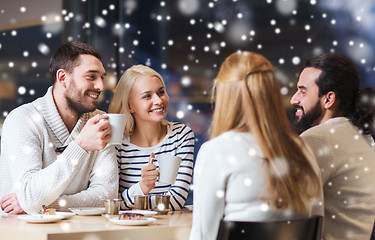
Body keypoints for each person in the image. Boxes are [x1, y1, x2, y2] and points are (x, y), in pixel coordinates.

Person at [190, 51, 323, 240]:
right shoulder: (302, 149)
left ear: (225, 96)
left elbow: (203, 236)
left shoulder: (216, 152)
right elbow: (317, 224)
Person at [0, 41, 119, 214]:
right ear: (63, 78)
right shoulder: (23, 119)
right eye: (91, 77)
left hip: (78, 231)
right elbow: (29, 195)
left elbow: (106, 196)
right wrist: (80, 147)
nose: (101, 86)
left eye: (102, 77)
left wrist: (48, 205)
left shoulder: (99, 122)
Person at [290, 52, 375, 240]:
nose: (294, 99)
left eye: (303, 91)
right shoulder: (365, 138)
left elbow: (287, 211)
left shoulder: (317, 139)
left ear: (328, 99)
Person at [108, 64, 195, 211]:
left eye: (161, 92)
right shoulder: (117, 144)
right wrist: (143, 187)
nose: (159, 101)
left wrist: (134, 200)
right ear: (130, 106)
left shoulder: (182, 135)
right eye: (147, 96)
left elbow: (177, 200)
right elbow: (111, 203)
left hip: (168, 229)